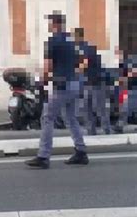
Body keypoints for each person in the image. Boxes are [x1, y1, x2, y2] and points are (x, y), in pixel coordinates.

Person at [25, 12, 88, 169]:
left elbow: (48, 66)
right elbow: (82, 62)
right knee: (70, 118)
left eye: (50, 22)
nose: (48, 25)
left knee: (47, 117)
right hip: (74, 84)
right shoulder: (71, 41)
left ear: (55, 24)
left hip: (62, 86)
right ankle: (81, 152)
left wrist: (42, 81)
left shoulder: (52, 41)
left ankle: (43, 156)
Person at [73, 27, 111, 135]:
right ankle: (91, 130)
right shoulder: (79, 49)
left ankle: (106, 129)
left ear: (78, 36)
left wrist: (74, 71)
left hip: (96, 82)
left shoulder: (87, 48)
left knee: (99, 107)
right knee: (87, 107)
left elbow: (84, 63)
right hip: (87, 83)